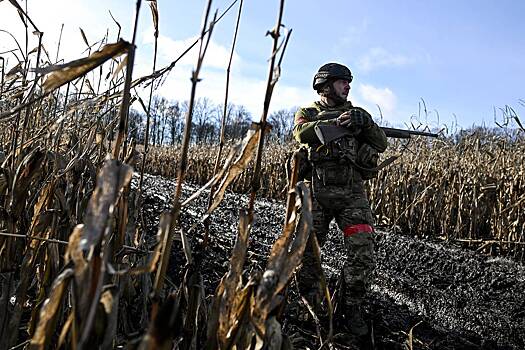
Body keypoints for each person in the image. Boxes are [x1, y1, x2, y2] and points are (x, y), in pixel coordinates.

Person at [293, 62, 387, 337]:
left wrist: (364, 123)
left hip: (352, 195)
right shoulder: (308, 112)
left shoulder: (357, 115)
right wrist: (336, 124)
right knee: (307, 254)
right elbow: (301, 133)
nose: (347, 86)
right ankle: (308, 305)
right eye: (342, 81)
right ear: (325, 84)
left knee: (363, 255)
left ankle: (351, 308)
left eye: (349, 82)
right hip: (317, 195)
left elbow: (380, 143)